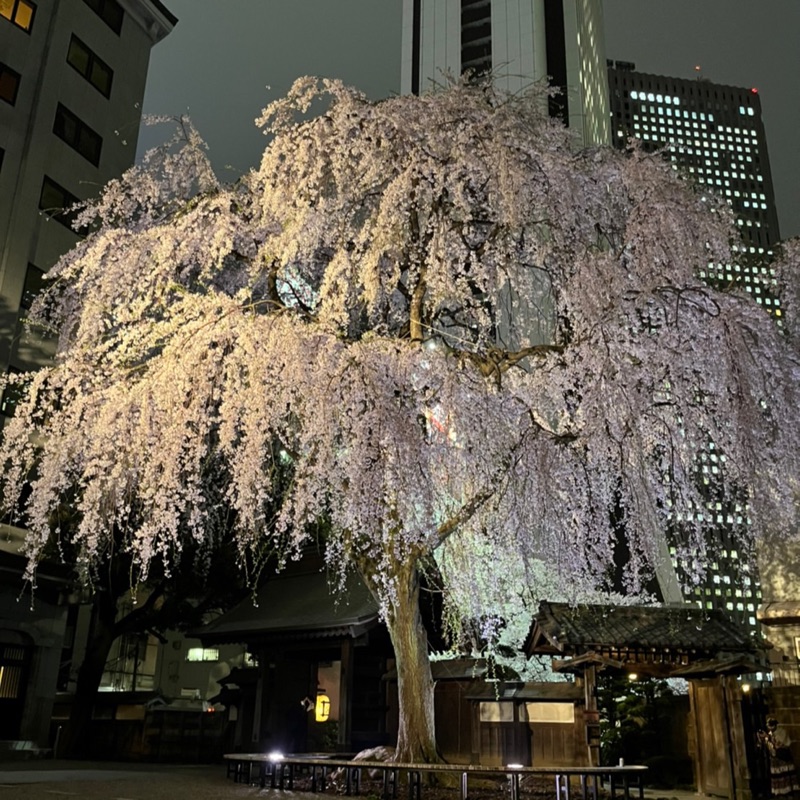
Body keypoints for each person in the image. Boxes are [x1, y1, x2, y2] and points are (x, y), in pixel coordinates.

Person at [759, 718, 800, 797]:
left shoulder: (782, 732)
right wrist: (764, 739)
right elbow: (769, 745)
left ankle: (789, 792)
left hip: (783, 757)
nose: (769, 728)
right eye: (768, 726)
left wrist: (769, 737)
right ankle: (780, 792)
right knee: (778, 776)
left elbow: (779, 744)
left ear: (775, 725)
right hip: (775, 759)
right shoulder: (770, 733)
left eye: (771, 726)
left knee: (786, 776)